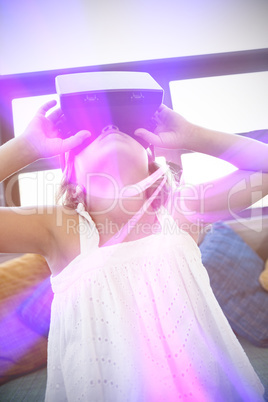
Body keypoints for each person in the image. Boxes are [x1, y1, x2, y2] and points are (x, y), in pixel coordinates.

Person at [0, 99, 267, 401]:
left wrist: (193, 134)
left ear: (152, 162)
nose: (111, 127)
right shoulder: (57, 228)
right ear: (70, 170)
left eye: (125, 127)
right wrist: (26, 147)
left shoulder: (180, 209)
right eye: (91, 132)